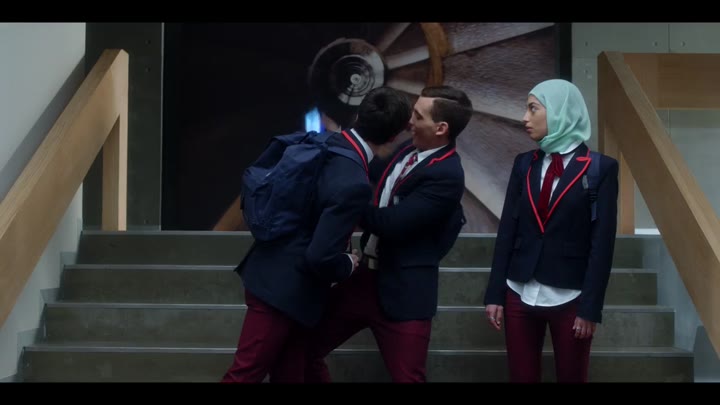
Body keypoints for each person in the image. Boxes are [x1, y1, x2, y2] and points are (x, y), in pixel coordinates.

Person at [221, 86, 412, 383]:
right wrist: (348, 263)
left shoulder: (325, 141)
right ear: (393, 137)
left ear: (358, 115)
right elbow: (320, 256)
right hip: (283, 291)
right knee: (245, 373)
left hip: (273, 273)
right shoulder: (354, 182)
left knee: (292, 372)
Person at [304, 85, 472, 383]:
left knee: (408, 378)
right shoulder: (408, 150)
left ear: (441, 128)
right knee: (303, 348)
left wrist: (344, 201)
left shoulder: (447, 175)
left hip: (404, 292)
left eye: (418, 116)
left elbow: (391, 223)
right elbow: (363, 166)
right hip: (362, 280)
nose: (409, 122)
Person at [483, 79, 619, 383]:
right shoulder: (524, 164)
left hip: (570, 296)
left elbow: (602, 244)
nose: (524, 118)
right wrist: (494, 294)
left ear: (560, 111)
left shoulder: (600, 168)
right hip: (519, 289)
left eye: (533, 109)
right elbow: (507, 231)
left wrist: (590, 308)